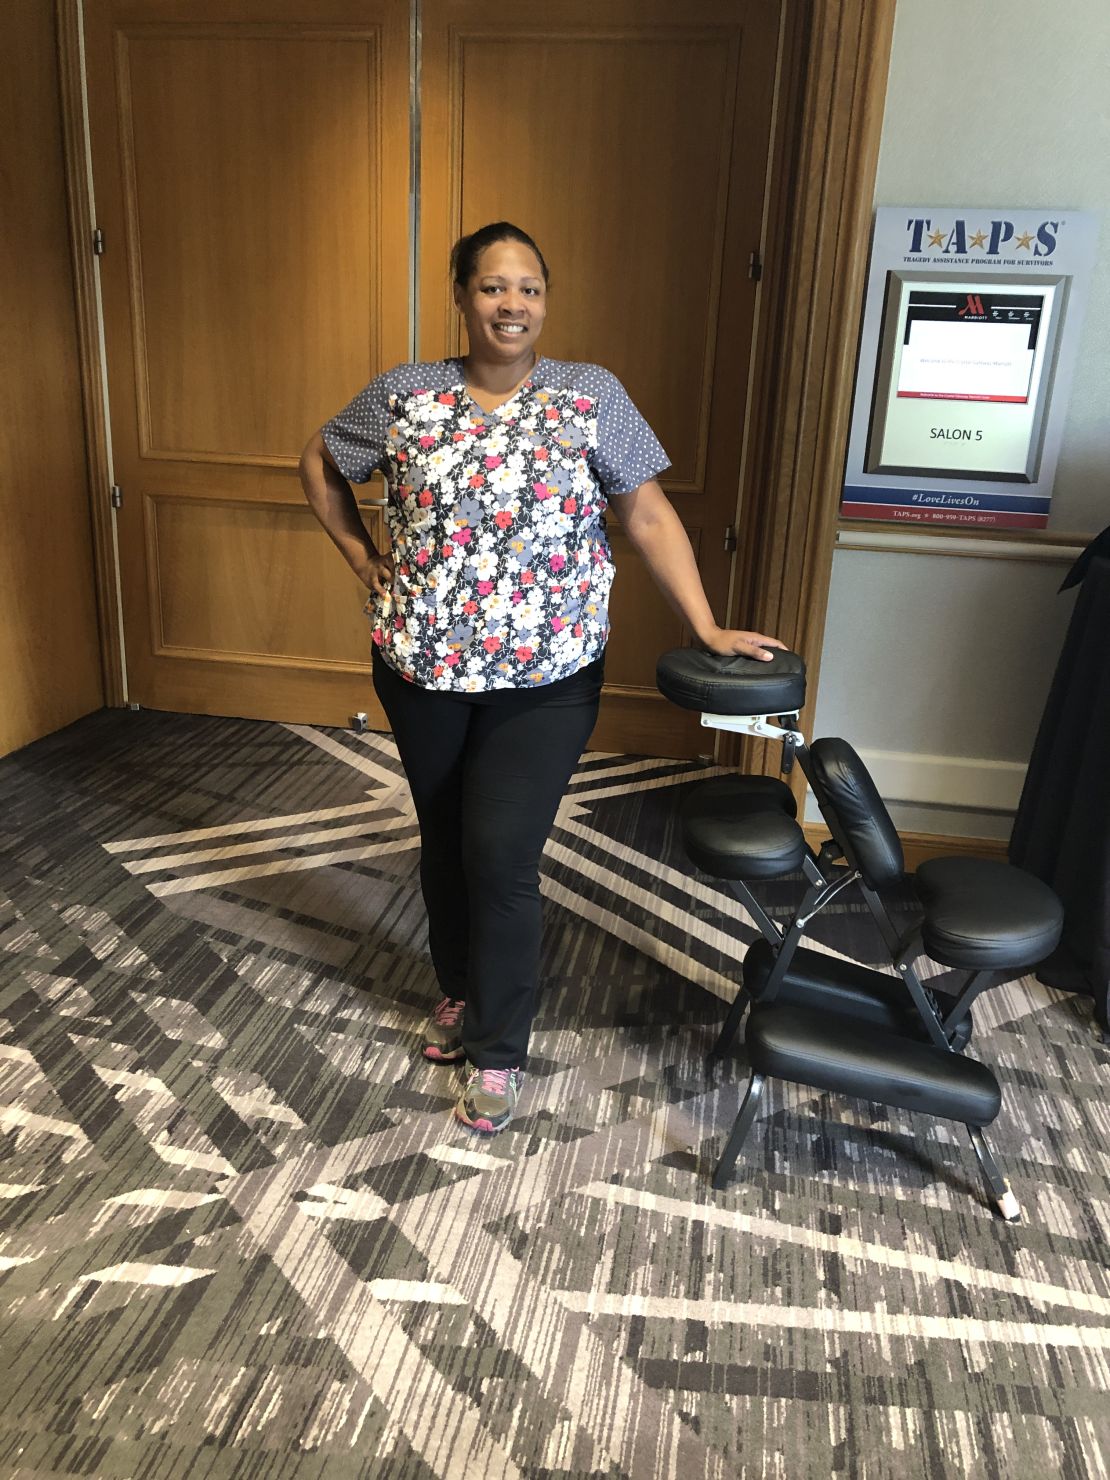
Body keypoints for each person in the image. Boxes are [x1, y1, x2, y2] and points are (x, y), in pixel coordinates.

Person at [299, 222, 784, 1135]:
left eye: (528, 288)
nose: (511, 304)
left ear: (546, 301)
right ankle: (459, 988)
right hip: (423, 665)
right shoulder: (405, 393)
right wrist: (362, 557)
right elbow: (320, 462)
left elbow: (647, 515)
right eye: (492, 287)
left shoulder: (589, 395)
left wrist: (705, 623)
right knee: (445, 835)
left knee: (500, 852)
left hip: (548, 674)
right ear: (461, 295)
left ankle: (498, 1046)